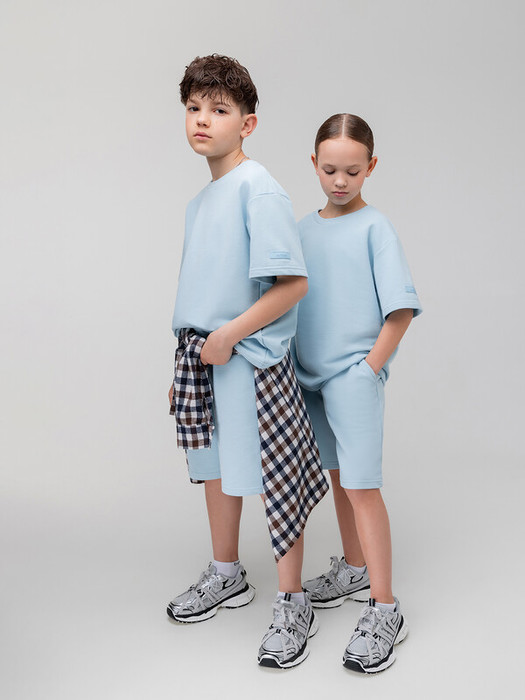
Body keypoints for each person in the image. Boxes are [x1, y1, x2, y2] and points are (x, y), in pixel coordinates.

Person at [167, 54, 328, 669]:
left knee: (276, 480)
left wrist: (229, 335)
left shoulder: (258, 187)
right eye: (193, 108)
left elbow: (292, 284)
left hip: (249, 357)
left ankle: (293, 601)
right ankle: (226, 572)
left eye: (219, 109)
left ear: (247, 123)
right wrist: (196, 353)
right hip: (203, 355)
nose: (202, 120)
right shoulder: (199, 202)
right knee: (215, 469)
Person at [292, 113, 422, 673]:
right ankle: (353, 568)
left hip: (352, 375)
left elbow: (400, 310)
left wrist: (368, 369)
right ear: (314, 165)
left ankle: (385, 607)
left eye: (352, 170)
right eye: (329, 170)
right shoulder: (301, 229)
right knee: (338, 476)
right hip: (307, 377)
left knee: (363, 485)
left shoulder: (376, 228)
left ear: (371, 167)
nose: (340, 181)